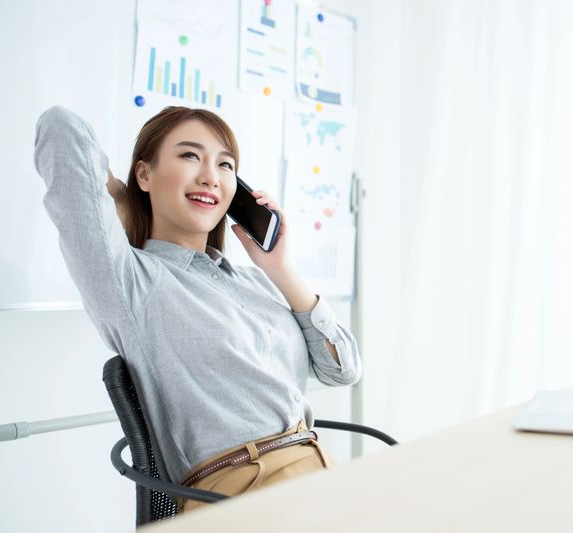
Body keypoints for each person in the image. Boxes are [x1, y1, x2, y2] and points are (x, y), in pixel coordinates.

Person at [33, 105, 362, 512]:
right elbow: (62, 129)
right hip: (240, 494)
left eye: (225, 165)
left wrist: (281, 269)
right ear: (145, 174)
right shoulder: (131, 281)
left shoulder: (255, 282)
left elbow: (342, 368)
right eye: (190, 156)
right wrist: (124, 197)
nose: (210, 176)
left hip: (322, 473)